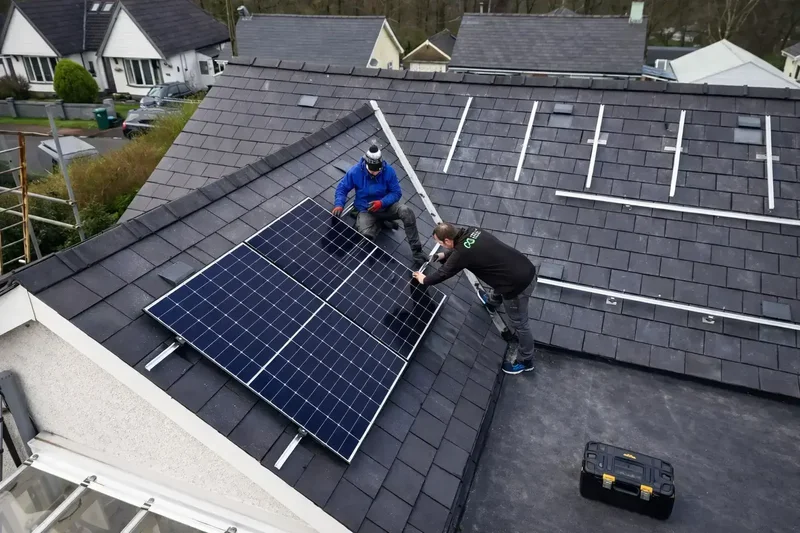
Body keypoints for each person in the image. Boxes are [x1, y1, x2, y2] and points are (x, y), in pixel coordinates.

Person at [412, 222, 538, 375]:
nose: (441, 246)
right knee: (496, 272)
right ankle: (492, 302)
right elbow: (463, 249)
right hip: (525, 267)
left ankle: (526, 361)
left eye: (440, 243)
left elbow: (443, 273)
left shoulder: (462, 254)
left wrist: (424, 279)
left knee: (520, 324)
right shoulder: (473, 231)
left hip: (518, 286)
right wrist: (443, 255)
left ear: (447, 240)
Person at [332, 144, 428, 266]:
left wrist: (382, 202)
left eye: (378, 169)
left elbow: (396, 193)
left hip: (386, 207)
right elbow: (342, 189)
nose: (375, 172)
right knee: (366, 235)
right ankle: (381, 223)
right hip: (367, 210)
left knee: (406, 212)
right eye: (372, 169)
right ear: (366, 164)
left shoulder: (389, 171)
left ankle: (417, 252)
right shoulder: (355, 172)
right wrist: (339, 204)